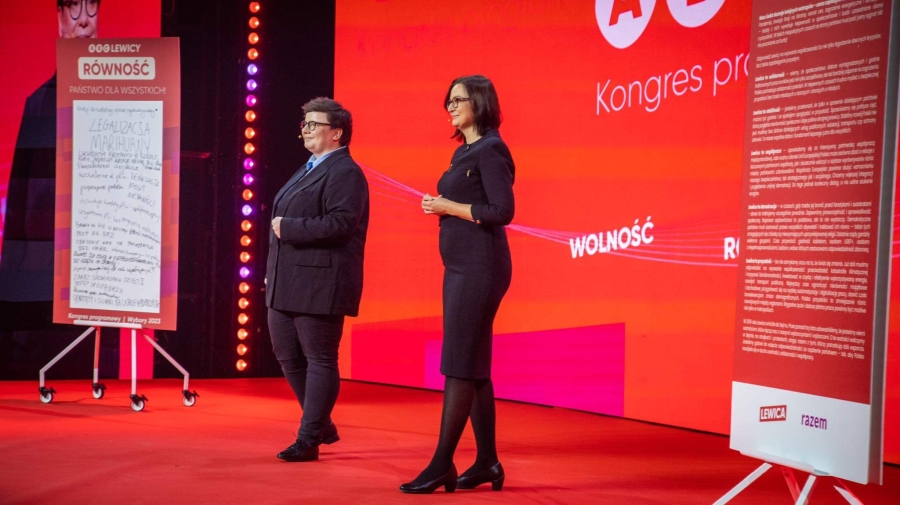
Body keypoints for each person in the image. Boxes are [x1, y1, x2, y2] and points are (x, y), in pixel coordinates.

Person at [400, 75, 515, 493]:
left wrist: (448, 205)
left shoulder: (492, 148)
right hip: (461, 268)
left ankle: (441, 464)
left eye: (458, 99)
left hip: (481, 268)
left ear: (479, 102)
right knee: (474, 364)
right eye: (447, 100)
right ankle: (487, 463)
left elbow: (502, 210)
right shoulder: (463, 151)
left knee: (459, 362)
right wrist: (443, 207)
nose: (449, 106)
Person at [265, 97, 369, 462]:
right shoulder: (309, 167)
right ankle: (321, 424)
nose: (305, 130)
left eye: (314, 124)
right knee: (286, 354)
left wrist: (290, 227)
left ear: (336, 132)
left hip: (321, 282)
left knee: (320, 358)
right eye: (304, 124)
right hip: (286, 280)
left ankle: (309, 438)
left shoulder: (346, 171)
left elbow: (342, 223)